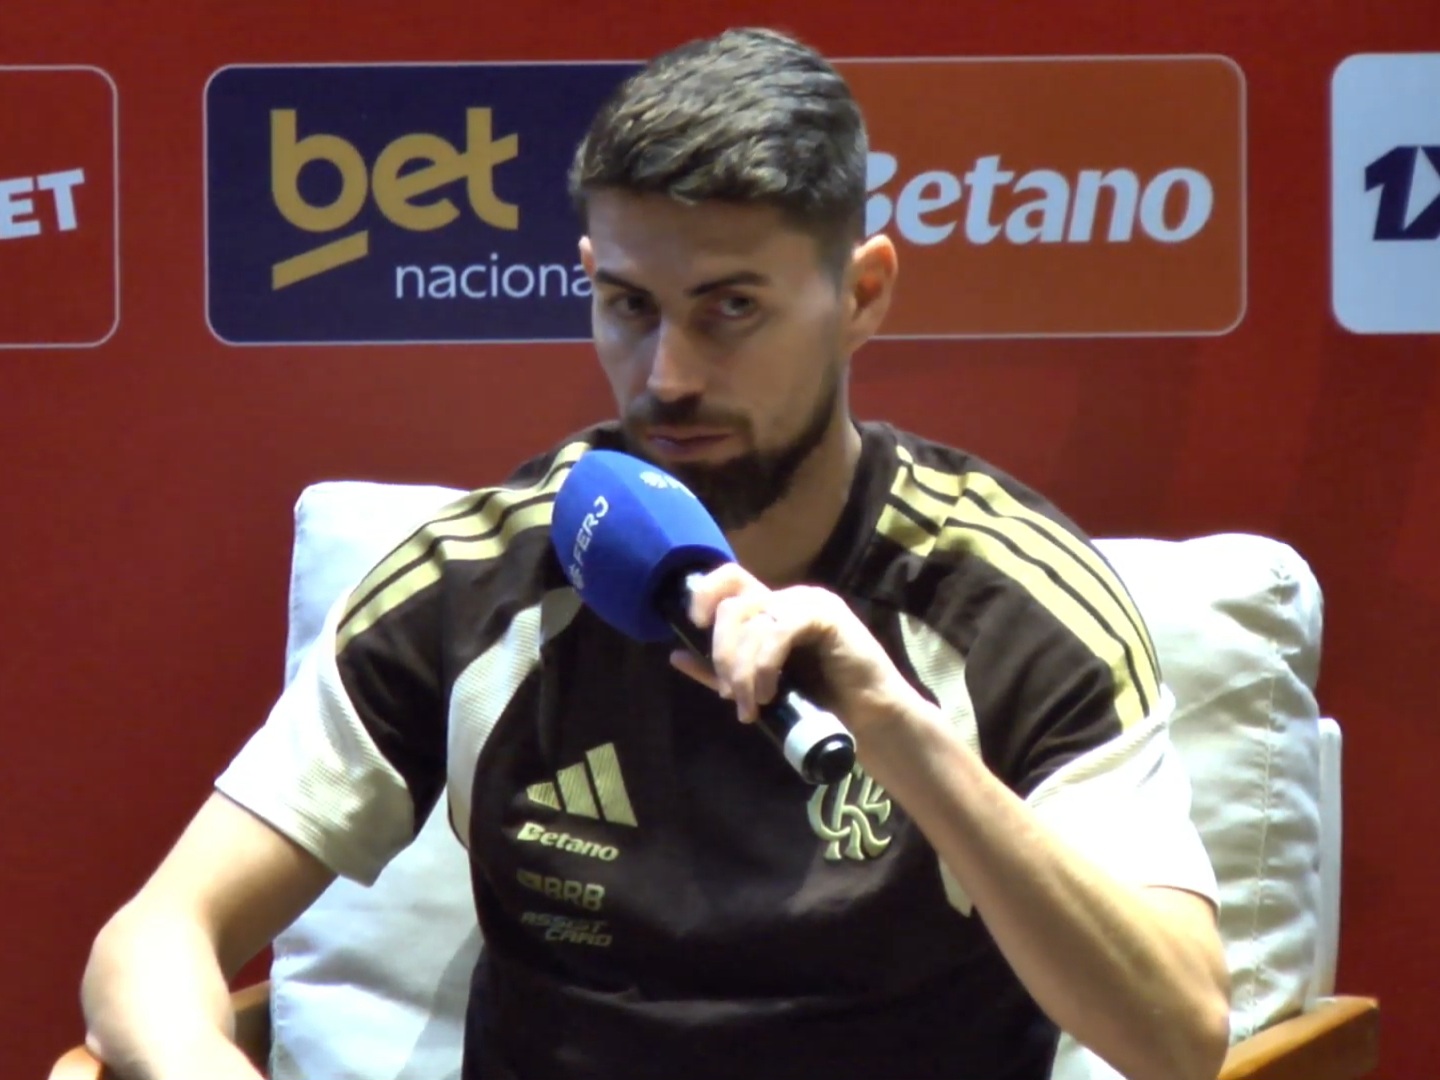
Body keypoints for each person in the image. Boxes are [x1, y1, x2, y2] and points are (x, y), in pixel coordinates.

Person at [80, 26, 1230, 1080]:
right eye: (630, 305)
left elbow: (1178, 1037)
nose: (667, 376)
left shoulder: (1008, 597)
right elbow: (153, 941)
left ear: (862, 295)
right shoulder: (481, 576)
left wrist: (899, 731)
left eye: (730, 308)